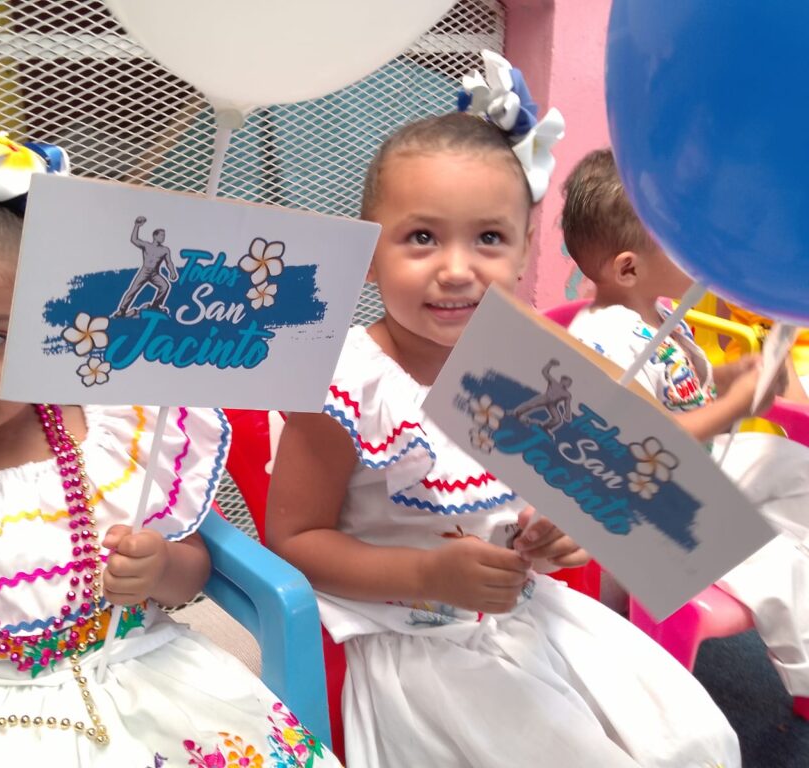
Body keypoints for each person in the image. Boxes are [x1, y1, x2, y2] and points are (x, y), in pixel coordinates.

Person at [0, 91, 340, 767]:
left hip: (152, 687)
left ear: (48, 321)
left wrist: (160, 566)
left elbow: (190, 573)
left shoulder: (116, 432)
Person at [265, 51, 740, 768]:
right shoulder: (348, 383)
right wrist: (426, 576)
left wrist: (564, 531)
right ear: (368, 253)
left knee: (694, 737)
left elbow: (585, 480)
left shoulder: (523, 363)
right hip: (416, 643)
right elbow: (294, 538)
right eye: (421, 237)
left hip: (528, 612)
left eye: (488, 238)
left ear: (522, 255)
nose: (457, 269)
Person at [563, 147, 809, 720]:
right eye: (680, 241)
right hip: (647, 504)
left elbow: (681, 384)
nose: (699, 252)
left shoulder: (658, 313)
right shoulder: (604, 338)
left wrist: (730, 375)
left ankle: (793, 546)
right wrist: (737, 405)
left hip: (697, 468)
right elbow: (651, 439)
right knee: (773, 564)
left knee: (788, 461)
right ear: (628, 268)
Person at [113, 216, 178, 318]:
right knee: (133, 290)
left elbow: (169, 262)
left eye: (164, 235)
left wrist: (172, 272)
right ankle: (122, 310)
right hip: (144, 272)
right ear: (155, 236)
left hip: (155, 274)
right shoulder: (147, 245)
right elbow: (134, 239)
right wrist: (137, 225)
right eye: (161, 235)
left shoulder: (165, 250)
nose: (163, 237)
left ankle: (155, 306)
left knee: (165, 286)